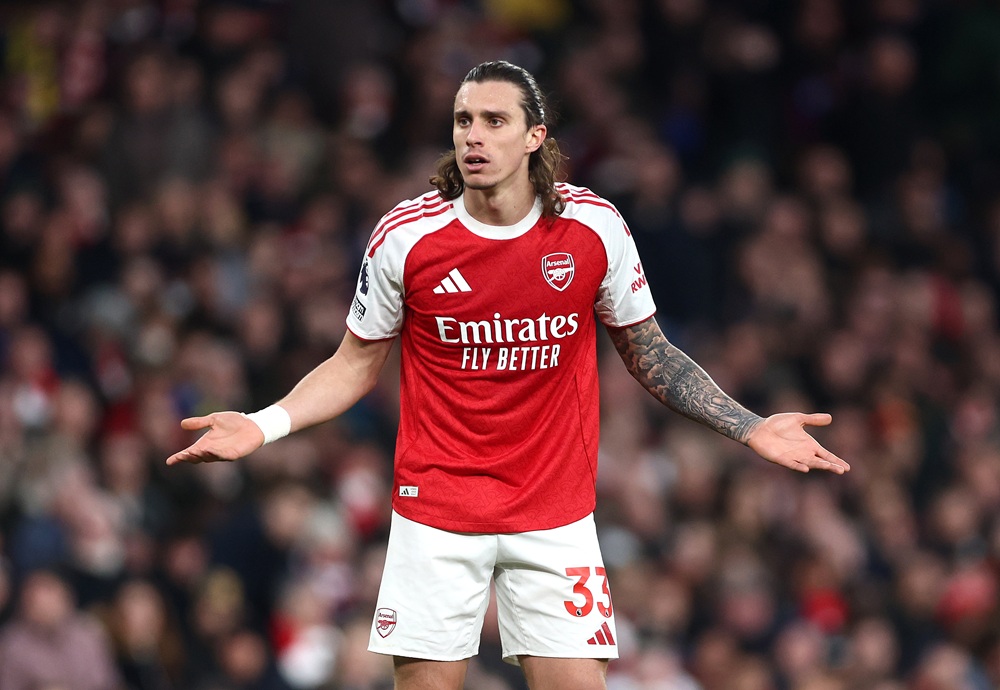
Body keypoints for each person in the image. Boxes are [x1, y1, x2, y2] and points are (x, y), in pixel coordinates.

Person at [167, 60, 850, 690]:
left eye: (495, 120)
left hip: (553, 511)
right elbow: (353, 364)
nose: (474, 135)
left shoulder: (592, 229)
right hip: (437, 507)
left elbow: (650, 352)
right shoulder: (407, 238)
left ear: (534, 137)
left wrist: (749, 425)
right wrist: (262, 425)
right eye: (464, 119)